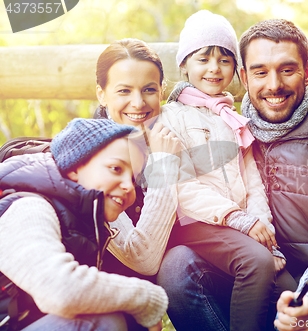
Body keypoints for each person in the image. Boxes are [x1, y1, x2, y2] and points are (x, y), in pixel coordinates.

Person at [162, 18, 308, 331]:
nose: (274, 84)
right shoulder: (232, 127)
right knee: (178, 269)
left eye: (287, 70)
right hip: (263, 273)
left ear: (307, 72)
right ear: (244, 78)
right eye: (260, 72)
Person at [156, 10, 287, 331]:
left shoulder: (232, 117)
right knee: (255, 262)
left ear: (235, 69)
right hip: (196, 222)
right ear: (184, 64)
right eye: (203, 59)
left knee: (289, 290)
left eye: (224, 59)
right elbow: (180, 186)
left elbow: (253, 182)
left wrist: (263, 231)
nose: (214, 68)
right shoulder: (171, 116)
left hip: (237, 225)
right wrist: (235, 218)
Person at [0, 118, 168, 331]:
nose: (128, 186)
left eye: (133, 178)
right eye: (116, 168)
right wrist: (147, 298)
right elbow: (59, 290)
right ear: (75, 167)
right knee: (104, 321)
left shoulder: (81, 222)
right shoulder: (29, 207)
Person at [93, 38, 181, 284]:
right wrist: (164, 163)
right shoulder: (91, 159)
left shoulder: (170, 136)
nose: (138, 103)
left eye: (149, 89)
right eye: (124, 90)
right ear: (101, 94)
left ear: (162, 90)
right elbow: (144, 260)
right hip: (104, 299)